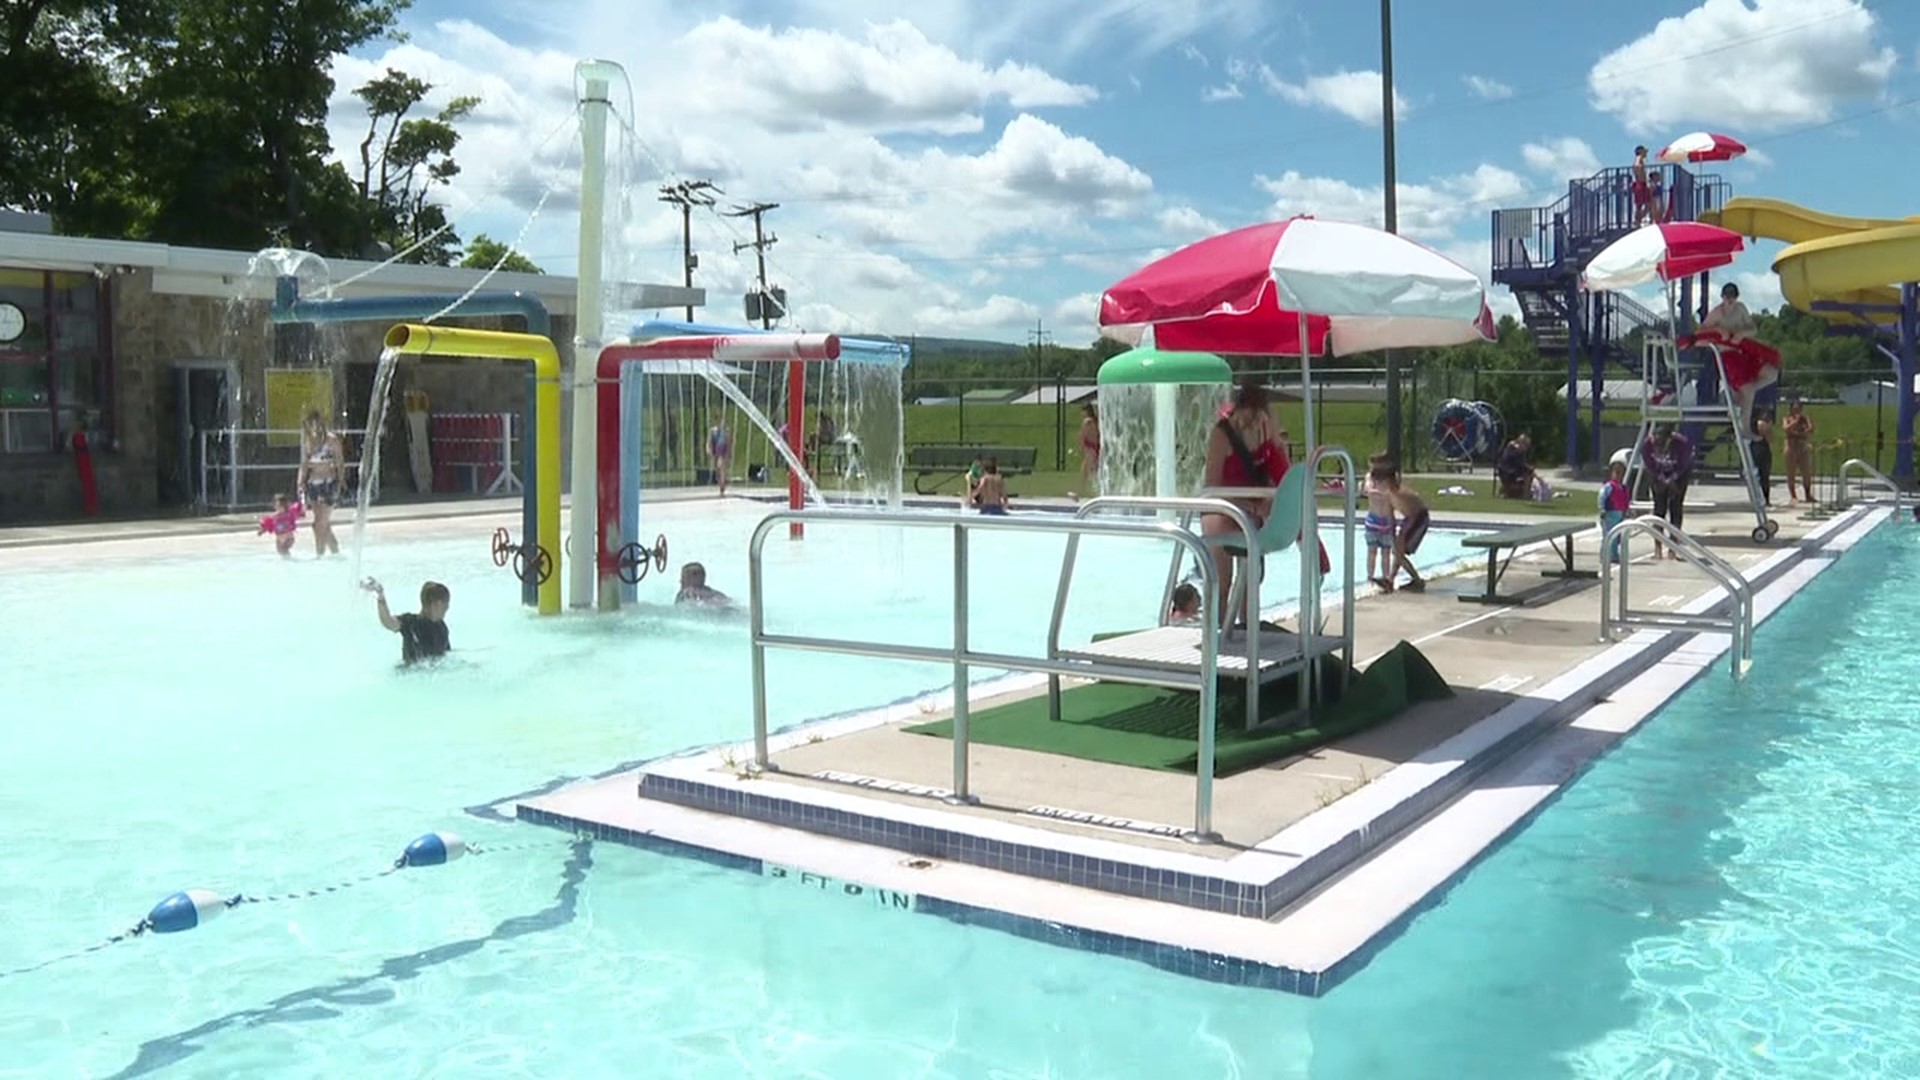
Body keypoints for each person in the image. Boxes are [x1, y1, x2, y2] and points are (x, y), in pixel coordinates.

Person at [1200, 377, 1290, 626]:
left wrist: (1275, 439)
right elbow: (1212, 487)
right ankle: (1216, 630)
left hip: (1251, 509)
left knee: (1251, 579)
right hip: (1221, 507)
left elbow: (1280, 473)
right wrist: (1249, 505)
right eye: (1249, 417)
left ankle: (1247, 628)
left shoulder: (1264, 430)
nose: (1253, 422)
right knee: (1222, 580)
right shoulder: (1222, 434)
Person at [1698, 282, 1778, 437]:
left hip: (1744, 352)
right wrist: (1718, 330)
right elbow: (1700, 334)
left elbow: (1753, 329)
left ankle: (1741, 396)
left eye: (1733, 297)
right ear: (1722, 297)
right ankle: (1744, 429)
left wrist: (1741, 334)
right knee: (1747, 391)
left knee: (1771, 374)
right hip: (1727, 357)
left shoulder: (1740, 309)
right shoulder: (1716, 313)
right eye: (1727, 297)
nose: (1730, 300)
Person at [361, 578, 451, 666]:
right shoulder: (410, 623)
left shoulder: (442, 627)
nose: (447, 607)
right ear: (437, 604)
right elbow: (387, 622)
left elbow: (447, 656)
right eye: (446, 603)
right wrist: (380, 596)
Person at [295, 407, 344, 557]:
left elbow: (340, 462)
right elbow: (304, 464)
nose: (313, 427)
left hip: (328, 482)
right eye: (310, 424)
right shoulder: (308, 442)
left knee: (318, 524)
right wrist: (300, 482)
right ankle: (335, 550)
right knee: (322, 523)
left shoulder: (332, 440)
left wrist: (340, 482)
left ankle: (319, 554)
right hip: (313, 483)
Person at [1642, 425, 1693, 559]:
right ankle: (1657, 547)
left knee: (1675, 508)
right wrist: (1662, 479)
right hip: (1658, 474)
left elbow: (1684, 464)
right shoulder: (1648, 444)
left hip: (1679, 475)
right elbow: (1649, 465)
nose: (1659, 447)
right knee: (1659, 509)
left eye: (1663, 443)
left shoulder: (1682, 444)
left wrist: (1672, 480)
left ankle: (1673, 548)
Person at [1387, 469, 1430, 593]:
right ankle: (1392, 580)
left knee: (1399, 551)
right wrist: (1393, 536)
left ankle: (1412, 581)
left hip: (1419, 518)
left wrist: (1401, 537)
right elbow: (1391, 518)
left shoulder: (1403, 494)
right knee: (1397, 552)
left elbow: (1416, 513)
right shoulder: (1389, 495)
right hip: (1409, 519)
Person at [1363, 455, 1397, 591]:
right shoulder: (1370, 478)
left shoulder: (1390, 480)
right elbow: (1368, 491)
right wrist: (1384, 494)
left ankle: (1386, 578)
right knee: (1372, 552)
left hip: (1387, 522)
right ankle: (1370, 578)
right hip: (1373, 520)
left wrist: (1384, 494)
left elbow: (1393, 493)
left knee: (1386, 553)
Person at [1598, 459, 1631, 563]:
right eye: (1616, 473)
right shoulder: (1609, 486)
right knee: (1608, 535)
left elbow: (1626, 501)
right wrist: (1602, 509)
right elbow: (1602, 497)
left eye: (1620, 473)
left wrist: (1627, 511)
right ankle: (1605, 555)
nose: (1618, 476)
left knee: (1617, 538)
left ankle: (1614, 554)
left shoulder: (1623, 488)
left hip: (1619, 515)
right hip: (1609, 514)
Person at [1783, 398, 1815, 503]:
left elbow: (1810, 430)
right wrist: (1795, 421)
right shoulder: (1787, 418)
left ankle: (1808, 494)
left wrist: (1805, 426)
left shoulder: (1805, 419)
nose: (1797, 411)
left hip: (1802, 446)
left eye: (1798, 409)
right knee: (1791, 472)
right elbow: (1786, 429)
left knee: (1806, 472)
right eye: (1794, 409)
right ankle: (1793, 496)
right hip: (1791, 446)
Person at [1496, 433, 1535, 499]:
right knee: (1529, 474)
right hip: (1508, 472)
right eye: (1526, 445)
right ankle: (1525, 494)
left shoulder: (1511, 447)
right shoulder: (1516, 450)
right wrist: (1529, 468)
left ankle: (1506, 490)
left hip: (1504, 470)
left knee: (1527, 473)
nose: (1527, 448)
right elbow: (1520, 464)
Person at [1751, 411, 1774, 506]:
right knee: (1764, 476)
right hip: (1762, 449)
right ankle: (1765, 499)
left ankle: (1757, 498)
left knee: (1757, 476)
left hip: (1754, 448)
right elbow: (1770, 439)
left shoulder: (1751, 425)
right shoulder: (1763, 424)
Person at [1078, 404, 1101, 488]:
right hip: (1095, 446)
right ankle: (1079, 491)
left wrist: (1081, 445)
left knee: (1090, 470)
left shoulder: (1087, 421)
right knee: (1086, 469)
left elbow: (1083, 434)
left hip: (1090, 447)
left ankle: (1080, 490)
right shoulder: (1095, 421)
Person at [707, 420, 732, 496]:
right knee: (717, 471)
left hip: (723, 452)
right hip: (715, 452)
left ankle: (722, 486)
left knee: (721, 467)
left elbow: (728, 442)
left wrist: (728, 453)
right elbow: (709, 441)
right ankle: (721, 484)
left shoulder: (726, 431)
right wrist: (708, 449)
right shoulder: (713, 431)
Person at [1631, 146, 1653, 225]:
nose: (1646, 154)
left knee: (1642, 204)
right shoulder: (1639, 158)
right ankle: (1638, 220)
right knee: (1644, 204)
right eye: (1644, 152)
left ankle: (1638, 220)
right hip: (1640, 184)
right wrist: (1641, 173)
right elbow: (1637, 166)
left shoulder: (1640, 159)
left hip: (1641, 183)